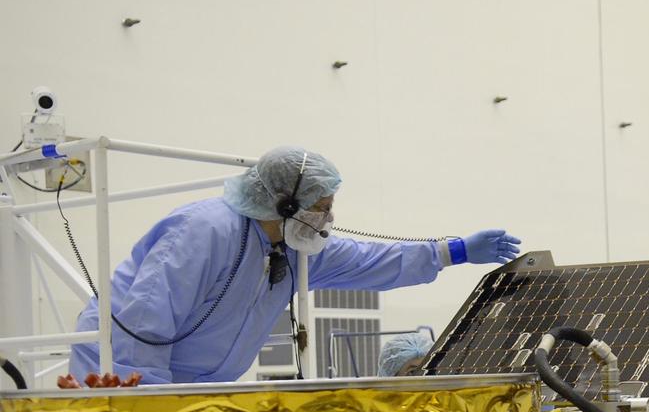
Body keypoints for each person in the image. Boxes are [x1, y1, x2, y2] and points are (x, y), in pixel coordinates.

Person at [68, 146, 521, 384]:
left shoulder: (294, 249)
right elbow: (146, 320)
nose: (329, 218)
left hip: (187, 391)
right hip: (122, 376)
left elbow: (367, 260)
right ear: (285, 204)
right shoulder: (205, 231)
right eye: (321, 207)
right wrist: (147, 401)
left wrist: (453, 251)